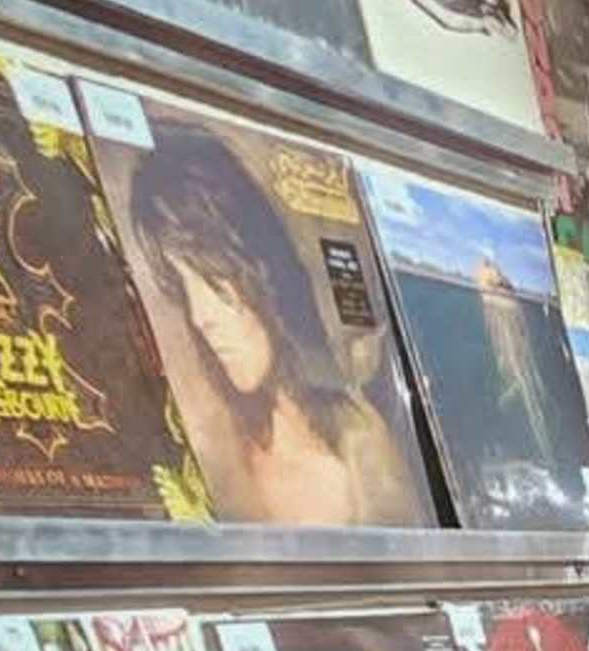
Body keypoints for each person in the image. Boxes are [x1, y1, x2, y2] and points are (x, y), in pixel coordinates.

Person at [119, 123, 424, 528]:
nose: (199, 315)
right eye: (183, 286)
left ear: (262, 270)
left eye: (212, 279)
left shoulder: (358, 447)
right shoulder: (213, 448)